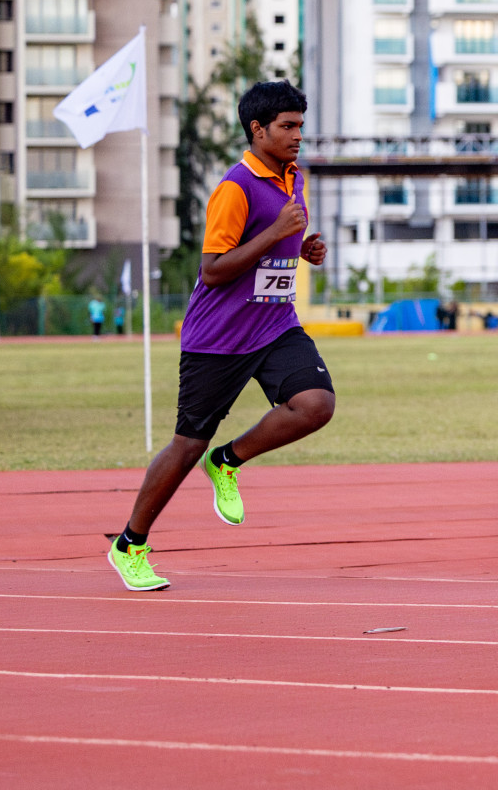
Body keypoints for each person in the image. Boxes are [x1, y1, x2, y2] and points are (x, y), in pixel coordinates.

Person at [106, 82, 334, 592]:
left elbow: (276, 246)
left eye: (300, 124)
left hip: (275, 323)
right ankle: (130, 544)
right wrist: (276, 234)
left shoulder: (294, 177)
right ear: (258, 130)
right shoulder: (234, 188)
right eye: (288, 126)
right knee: (187, 444)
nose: (298, 135)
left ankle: (228, 461)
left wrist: (302, 250)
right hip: (219, 338)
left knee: (316, 404)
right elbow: (212, 270)